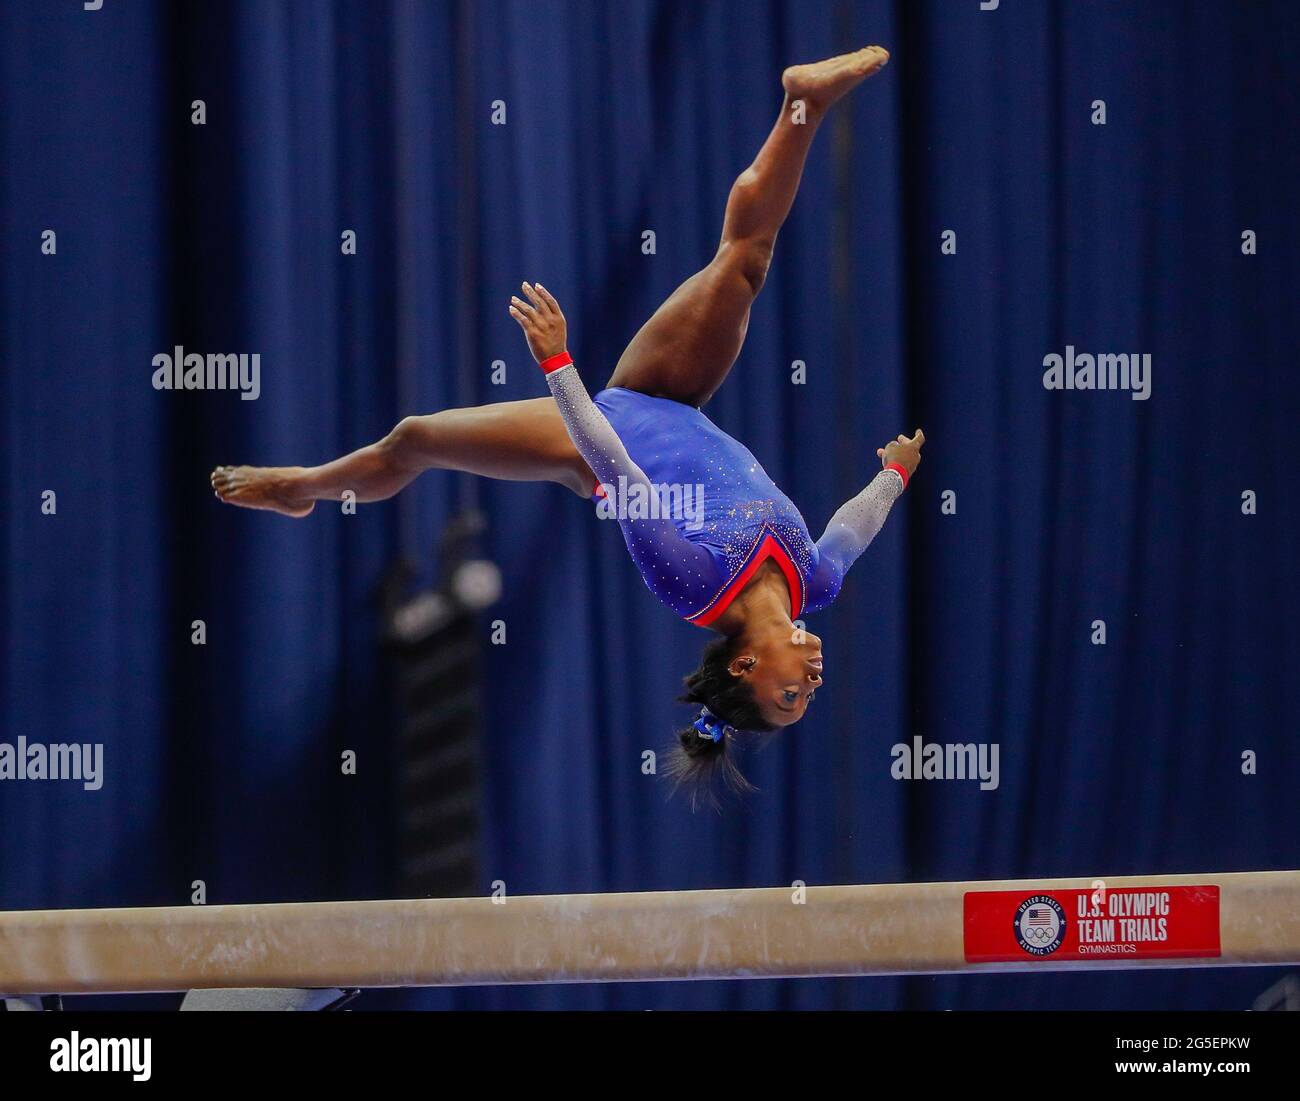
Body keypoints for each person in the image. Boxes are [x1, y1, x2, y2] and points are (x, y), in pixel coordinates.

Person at [211, 45, 923, 803]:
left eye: (789, 697)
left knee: (416, 436)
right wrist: (895, 472)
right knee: (742, 264)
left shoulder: (696, 582)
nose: (809, 685)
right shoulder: (815, 579)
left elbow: (618, 469)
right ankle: (801, 102)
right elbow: (855, 527)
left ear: (746, 666)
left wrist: (559, 366)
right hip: (674, 398)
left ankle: (310, 487)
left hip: (593, 440)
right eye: (809, 698)